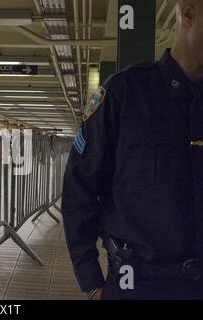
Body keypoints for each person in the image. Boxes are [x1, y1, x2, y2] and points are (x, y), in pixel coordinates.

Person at [62, 0, 203, 300]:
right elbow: (80, 188)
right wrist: (91, 282)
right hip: (136, 285)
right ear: (189, 12)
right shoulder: (125, 94)